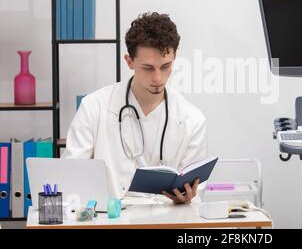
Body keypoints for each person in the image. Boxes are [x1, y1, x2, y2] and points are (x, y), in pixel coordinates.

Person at [63, 12, 207, 204]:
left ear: (174, 58)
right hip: (110, 223)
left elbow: (196, 196)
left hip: (167, 223)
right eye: (148, 68)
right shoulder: (94, 107)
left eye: (165, 66)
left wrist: (187, 198)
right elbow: (71, 177)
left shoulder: (192, 119)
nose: (158, 78)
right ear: (129, 61)